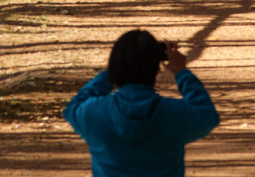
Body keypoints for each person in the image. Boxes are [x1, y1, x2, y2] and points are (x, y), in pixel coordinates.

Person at [64, 30, 219, 177]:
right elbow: (207, 115)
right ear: (155, 69)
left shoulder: (95, 113)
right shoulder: (174, 114)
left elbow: (73, 108)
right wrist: (181, 72)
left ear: (115, 65)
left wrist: (111, 73)